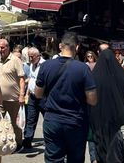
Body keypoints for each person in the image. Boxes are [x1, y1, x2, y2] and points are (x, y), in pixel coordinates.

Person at [35, 32, 97, 163]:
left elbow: (38, 94)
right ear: (77, 47)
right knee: (75, 159)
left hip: (52, 120)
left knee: (53, 159)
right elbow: (92, 99)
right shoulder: (83, 69)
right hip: (76, 122)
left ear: (60, 46)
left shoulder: (45, 66)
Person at [90, 49, 124, 163]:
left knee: (102, 149)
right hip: (121, 121)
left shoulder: (94, 77)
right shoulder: (123, 77)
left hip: (100, 121)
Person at [0, 38, 26, 150]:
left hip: (14, 99)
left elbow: (22, 78)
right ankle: (3, 142)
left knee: (15, 124)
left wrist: (22, 95)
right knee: (0, 122)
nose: (0, 50)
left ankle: (18, 144)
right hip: (0, 99)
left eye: (2, 47)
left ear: (8, 47)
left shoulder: (15, 60)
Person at [23, 47, 45, 149]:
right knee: (31, 119)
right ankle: (28, 140)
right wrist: (26, 92)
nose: (30, 59)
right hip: (32, 96)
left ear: (38, 56)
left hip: (43, 97)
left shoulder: (44, 65)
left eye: (32, 57)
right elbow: (31, 78)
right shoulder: (32, 64)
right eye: (29, 56)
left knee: (47, 118)